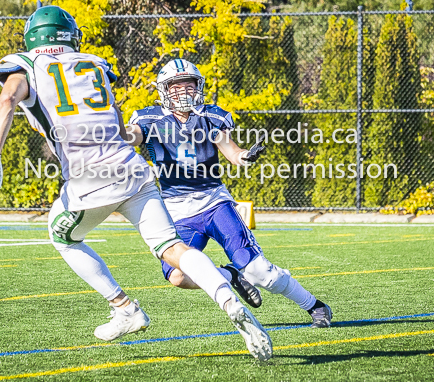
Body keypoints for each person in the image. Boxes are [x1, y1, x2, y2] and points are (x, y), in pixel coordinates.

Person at [0, 6, 272, 361]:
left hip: (90, 177)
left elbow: (8, 98)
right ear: (71, 36)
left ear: (32, 37)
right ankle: (228, 300)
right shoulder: (94, 63)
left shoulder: (24, 63)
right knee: (172, 249)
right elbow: (117, 122)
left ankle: (125, 308)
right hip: (133, 170)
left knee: (62, 236)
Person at [126, 59, 333, 328]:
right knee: (177, 276)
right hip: (176, 209)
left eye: (189, 85)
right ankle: (230, 274)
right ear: (165, 90)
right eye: (177, 87)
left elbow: (232, 152)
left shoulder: (210, 116)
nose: (184, 92)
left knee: (260, 272)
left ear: (198, 87)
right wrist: (109, 122)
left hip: (214, 202)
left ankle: (314, 305)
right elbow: (130, 136)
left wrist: (246, 156)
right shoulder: (149, 119)